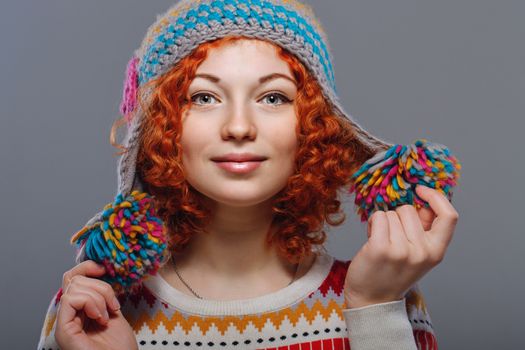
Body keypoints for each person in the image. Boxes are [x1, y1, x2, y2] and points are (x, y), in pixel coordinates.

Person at [37, 1, 459, 349]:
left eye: (273, 96)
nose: (239, 126)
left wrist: (373, 308)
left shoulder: (383, 297)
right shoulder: (90, 313)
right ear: (160, 124)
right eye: (203, 96)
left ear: (313, 124)